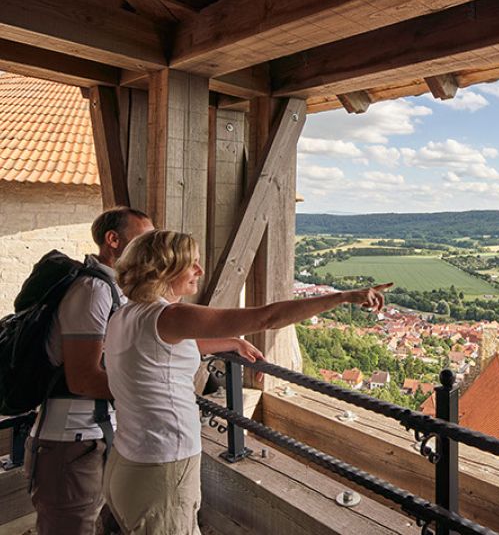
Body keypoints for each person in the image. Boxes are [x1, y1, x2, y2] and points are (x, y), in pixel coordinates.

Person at [103, 229, 391, 534]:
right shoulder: (169, 315)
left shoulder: (127, 314)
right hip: (161, 466)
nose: (200, 270)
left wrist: (231, 342)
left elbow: (161, 351)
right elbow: (266, 318)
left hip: (127, 461)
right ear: (163, 270)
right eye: (191, 264)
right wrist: (344, 296)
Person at [24, 207, 154, 535]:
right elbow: (82, 379)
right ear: (113, 240)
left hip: (92, 438)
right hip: (71, 444)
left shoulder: (113, 291)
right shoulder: (92, 291)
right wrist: (153, 389)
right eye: (144, 239)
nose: (150, 249)